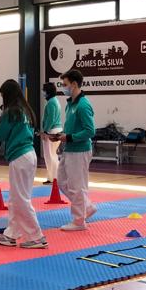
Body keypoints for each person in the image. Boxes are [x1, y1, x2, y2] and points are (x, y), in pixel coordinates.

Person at [0, 79, 46, 249]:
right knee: (17, 198)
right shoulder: (25, 110)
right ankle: (11, 234)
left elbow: (0, 135)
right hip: (29, 154)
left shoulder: (11, 112)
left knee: (20, 198)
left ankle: (37, 236)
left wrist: (0, 122)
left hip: (20, 156)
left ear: (7, 95)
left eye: (2, 95)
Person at [49, 69, 96, 231]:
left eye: (65, 84)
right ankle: (87, 206)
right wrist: (61, 138)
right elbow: (71, 128)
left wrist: (68, 137)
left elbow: (90, 131)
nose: (63, 87)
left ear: (74, 84)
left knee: (77, 186)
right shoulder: (70, 104)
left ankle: (78, 221)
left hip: (79, 151)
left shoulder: (83, 105)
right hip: (69, 148)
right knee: (62, 182)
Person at [40, 82, 63, 185]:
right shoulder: (54, 101)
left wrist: (45, 131)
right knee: (52, 155)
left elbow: (51, 119)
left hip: (51, 131)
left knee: (49, 155)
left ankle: (53, 178)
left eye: (44, 90)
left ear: (47, 91)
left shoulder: (51, 103)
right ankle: (53, 177)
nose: (43, 92)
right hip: (55, 130)